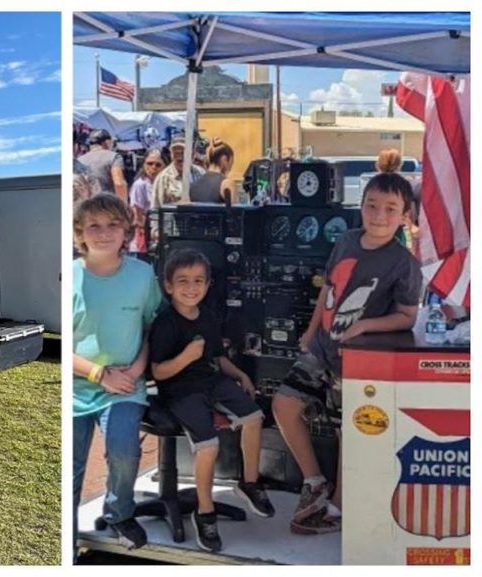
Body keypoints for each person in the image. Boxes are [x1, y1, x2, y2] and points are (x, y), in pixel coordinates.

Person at [272, 172, 422, 535]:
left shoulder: (404, 263)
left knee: (347, 432)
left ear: (405, 215)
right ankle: (315, 481)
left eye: (390, 208)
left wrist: (365, 326)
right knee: (284, 404)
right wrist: (310, 333)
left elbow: (407, 316)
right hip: (321, 348)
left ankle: (338, 507)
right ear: (361, 205)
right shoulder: (346, 240)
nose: (379, 215)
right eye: (372, 205)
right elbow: (328, 290)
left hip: (355, 361)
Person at [148, 249, 274, 552]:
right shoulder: (166, 322)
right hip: (180, 391)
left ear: (207, 285)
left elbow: (217, 357)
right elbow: (158, 372)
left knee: (254, 417)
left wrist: (241, 375)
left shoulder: (207, 316)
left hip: (211, 382)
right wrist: (185, 357)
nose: (191, 288)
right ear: (168, 286)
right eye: (183, 281)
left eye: (198, 281)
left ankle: (249, 482)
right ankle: (205, 513)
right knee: (209, 446)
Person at [72, 193, 163, 555]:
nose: (104, 232)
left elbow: (152, 326)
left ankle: (119, 513)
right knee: (71, 466)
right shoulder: (70, 277)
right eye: (93, 225)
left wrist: (138, 367)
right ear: (79, 232)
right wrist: (98, 374)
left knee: (124, 451)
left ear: (127, 229)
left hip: (126, 384)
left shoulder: (142, 275)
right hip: (78, 388)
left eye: (113, 224)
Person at [128, 149, 165, 253]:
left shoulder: (164, 184)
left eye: (158, 165)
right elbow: (137, 215)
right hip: (145, 235)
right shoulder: (140, 185)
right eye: (149, 163)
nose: (153, 167)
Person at [152, 135, 205, 209]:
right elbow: (156, 208)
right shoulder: (163, 178)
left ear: (192, 154)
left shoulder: (201, 173)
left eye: (183, 152)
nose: (179, 157)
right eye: (176, 153)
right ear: (171, 155)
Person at [77, 129, 129, 202]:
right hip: (108, 204)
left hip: (84, 205)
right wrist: (123, 204)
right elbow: (119, 183)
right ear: (106, 142)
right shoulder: (113, 157)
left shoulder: (79, 160)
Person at [190, 140, 236, 204]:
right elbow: (235, 209)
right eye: (231, 163)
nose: (230, 168)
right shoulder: (226, 184)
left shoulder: (193, 185)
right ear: (224, 160)